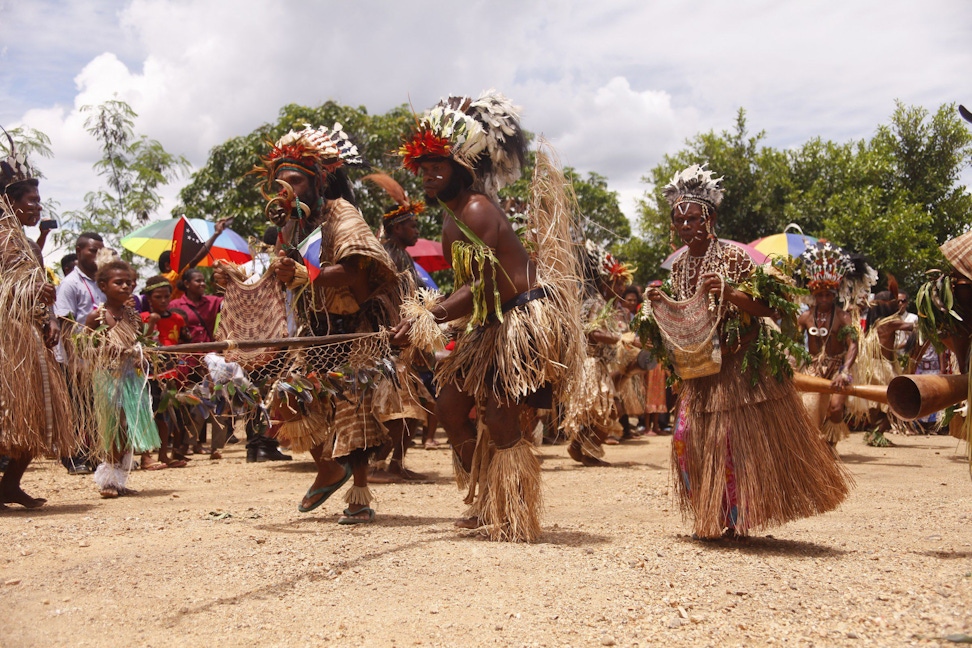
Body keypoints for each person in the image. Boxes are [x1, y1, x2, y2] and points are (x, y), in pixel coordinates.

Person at [394, 91, 584, 541]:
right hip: (489, 320)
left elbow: (480, 285)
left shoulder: (476, 210)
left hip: (519, 317)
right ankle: (486, 494)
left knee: (499, 413)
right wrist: (427, 315)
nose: (429, 175)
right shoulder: (451, 216)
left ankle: (513, 508)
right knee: (450, 407)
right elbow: (472, 288)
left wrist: (429, 314)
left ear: (462, 166)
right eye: (422, 167)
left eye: (438, 165)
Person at [639, 164, 851, 540]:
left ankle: (737, 519)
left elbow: (774, 309)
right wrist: (659, 304)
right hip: (701, 371)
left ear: (711, 217)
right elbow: (686, 318)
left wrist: (730, 291)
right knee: (685, 441)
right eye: (679, 220)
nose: (685, 226)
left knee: (730, 444)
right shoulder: (679, 268)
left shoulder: (735, 259)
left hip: (739, 369)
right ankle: (712, 512)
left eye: (692, 218)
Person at [263, 123, 400, 524]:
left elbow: (361, 270)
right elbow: (282, 275)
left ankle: (359, 495)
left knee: (353, 412)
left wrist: (310, 275)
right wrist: (239, 280)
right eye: (280, 181)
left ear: (318, 180)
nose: (286, 188)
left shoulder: (342, 213)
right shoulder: (291, 225)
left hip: (354, 326)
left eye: (296, 180)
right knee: (287, 398)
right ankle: (328, 466)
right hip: (316, 329)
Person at [0, 131, 75, 508]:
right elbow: (11, 287)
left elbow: (42, 288)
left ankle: (10, 484)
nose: (38, 209)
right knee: (9, 415)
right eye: (31, 202)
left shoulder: (29, 244)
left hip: (30, 336)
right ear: (9, 203)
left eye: (40, 202)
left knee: (41, 412)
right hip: (6, 337)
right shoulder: (1, 238)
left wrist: (51, 320)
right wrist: (28, 293)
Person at [80, 259, 160, 498]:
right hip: (108, 377)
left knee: (128, 427)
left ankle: (119, 480)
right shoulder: (97, 317)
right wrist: (105, 351)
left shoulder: (133, 316)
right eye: (119, 282)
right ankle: (108, 481)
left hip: (130, 378)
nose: (126, 286)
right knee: (114, 427)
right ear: (103, 285)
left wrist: (140, 357)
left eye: (129, 282)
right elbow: (85, 347)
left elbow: (139, 344)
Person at [371, 200, 435, 483]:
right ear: (397, 228)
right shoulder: (387, 255)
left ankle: (396, 463)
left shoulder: (402, 256)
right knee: (400, 408)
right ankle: (376, 466)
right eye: (412, 225)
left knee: (416, 407)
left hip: (405, 341)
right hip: (390, 341)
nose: (416, 231)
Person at [796, 244, 860, 448]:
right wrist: (791, 362)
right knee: (808, 409)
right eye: (820, 295)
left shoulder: (843, 317)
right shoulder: (805, 317)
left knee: (835, 409)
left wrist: (845, 370)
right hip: (813, 367)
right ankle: (814, 447)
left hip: (837, 368)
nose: (824, 299)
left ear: (835, 295)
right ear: (814, 294)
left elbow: (853, 345)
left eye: (828, 295)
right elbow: (793, 343)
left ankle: (830, 445)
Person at [853, 283, 914, 447]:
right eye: (894, 302)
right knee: (898, 401)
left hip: (870, 368)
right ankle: (878, 432)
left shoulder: (873, 325)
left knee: (875, 403)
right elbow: (912, 327)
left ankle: (875, 432)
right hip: (882, 368)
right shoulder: (890, 323)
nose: (898, 305)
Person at [139, 275, 189, 469]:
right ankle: (145, 455)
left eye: (166, 297)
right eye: (158, 297)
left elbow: (182, 341)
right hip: (149, 374)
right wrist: (151, 323)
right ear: (149, 299)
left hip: (170, 374)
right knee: (149, 414)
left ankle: (164, 455)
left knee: (168, 415)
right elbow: (143, 341)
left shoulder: (177, 318)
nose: (163, 301)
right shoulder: (143, 317)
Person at [156, 217, 233, 301]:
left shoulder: (161, 281)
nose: (183, 263)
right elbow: (195, 259)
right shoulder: (172, 277)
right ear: (167, 265)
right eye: (177, 260)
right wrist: (216, 234)